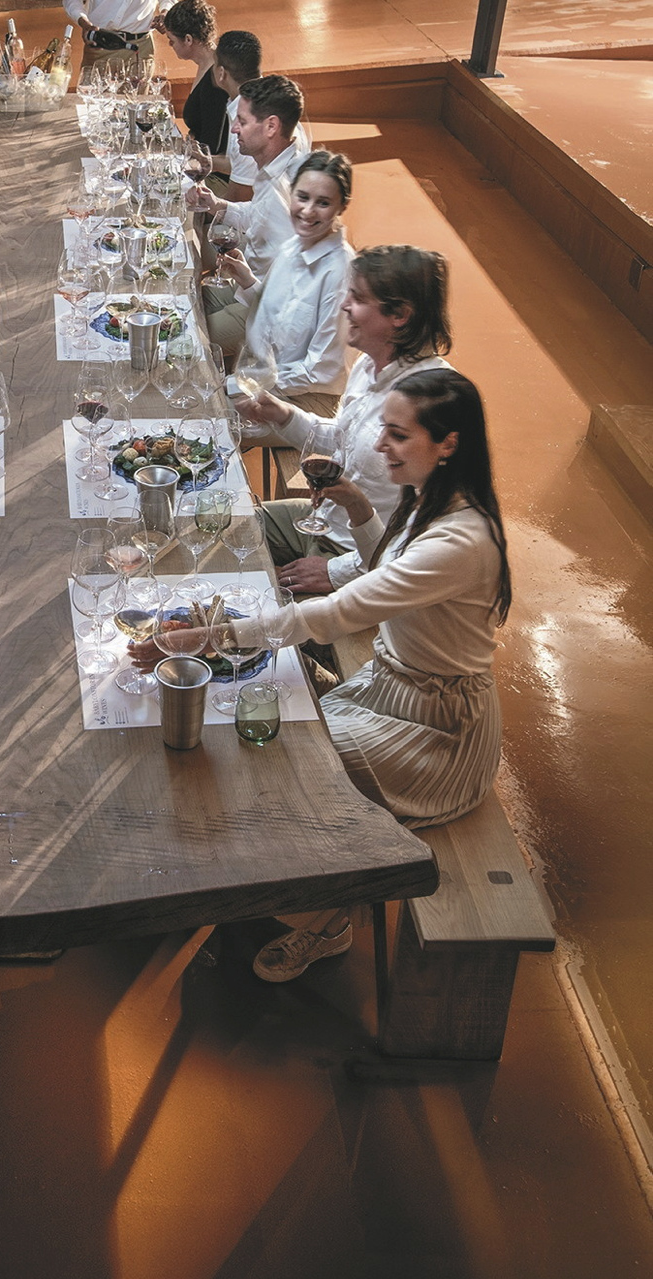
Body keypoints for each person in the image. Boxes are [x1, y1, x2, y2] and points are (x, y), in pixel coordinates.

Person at [218, 369, 512, 980]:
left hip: (437, 729)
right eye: (384, 429)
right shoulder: (433, 496)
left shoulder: (461, 540)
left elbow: (336, 613)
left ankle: (330, 918)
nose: (381, 446)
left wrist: (214, 636)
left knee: (286, 763)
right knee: (266, 723)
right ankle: (312, 888)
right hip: (391, 686)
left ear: (448, 443)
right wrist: (357, 507)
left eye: (398, 435)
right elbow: (388, 569)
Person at [238, 244, 454, 596]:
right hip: (323, 523)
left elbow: (424, 535)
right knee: (222, 527)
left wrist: (338, 572)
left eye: (358, 298)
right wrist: (284, 415)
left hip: (360, 562)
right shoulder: (369, 364)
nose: (344, 306)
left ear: (399, 315)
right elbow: (344, 439)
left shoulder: (434, 400)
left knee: (258, 611)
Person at [218, 149, 354, 422]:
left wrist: (240, 384)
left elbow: (321, 371)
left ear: (341, 207)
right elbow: (278, 316)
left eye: (323, 202)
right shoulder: (293, 246)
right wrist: (247, 280)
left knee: (204, 413)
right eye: (302, 197)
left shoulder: (341, 272)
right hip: (271, 378)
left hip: (307, 399)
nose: (308, 211)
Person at [189, 73, 310, 358]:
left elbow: (293, 295)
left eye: (242, 122)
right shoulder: (276, 165)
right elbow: (258, 213)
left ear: (271, 126)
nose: (233, 129)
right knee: (187, 297)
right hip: (252, 283)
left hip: (270, 310)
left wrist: (248, 284)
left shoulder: (287, 193)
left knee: (186, 341)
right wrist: (218, 205)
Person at [163, 0, 229, 156]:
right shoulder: (208, 63)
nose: (170, 45)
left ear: (188, 40)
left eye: (172, 40)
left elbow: (210, 147)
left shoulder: (215, 80)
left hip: (210, 167)